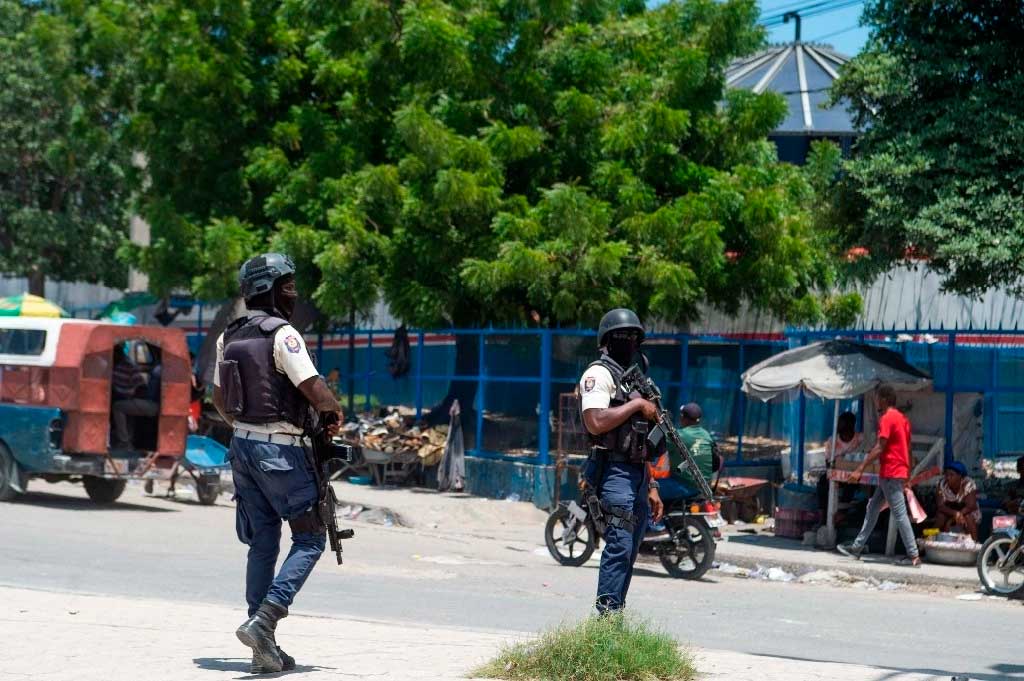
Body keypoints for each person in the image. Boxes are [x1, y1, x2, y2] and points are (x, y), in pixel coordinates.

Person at [212, 252, 344, 674]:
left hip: (243, 448)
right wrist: (332, 412)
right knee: (310, 539)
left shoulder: (228, 336)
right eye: (288, 285)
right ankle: (264, 622)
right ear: (269, 290)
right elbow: (312, 387)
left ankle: (261, 646)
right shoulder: (283, 334)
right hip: (281, 453)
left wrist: (248, 427)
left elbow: (219, 401)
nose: (295, 293)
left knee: (263, 542)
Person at [578, 308, 663, 614]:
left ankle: (616, 617)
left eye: (633, 337)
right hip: (612, 472)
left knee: (631, 550)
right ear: (607, 341)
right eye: (622, 336)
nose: (628, 341)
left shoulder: (632, 382)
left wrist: (652, 485)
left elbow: (639, 441)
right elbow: (596, 422)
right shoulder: (598, 375)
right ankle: (606, 621)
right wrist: (638, 405)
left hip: (638, 475)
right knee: (619, 547)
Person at [837, 384, 921, 567]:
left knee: (899, 514)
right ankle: (857, 547)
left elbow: (880, 447)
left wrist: (860, 468)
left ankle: (914, 555)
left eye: (877, 398)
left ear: (883, 399)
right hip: (893, 473)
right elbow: (908, 447)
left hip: (891, 472)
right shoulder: (902, 419)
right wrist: (907, 472)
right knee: (873, 509)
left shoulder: (887, 419)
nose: (876, 401)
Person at [110, 344, 159, 450]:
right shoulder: (117, 365)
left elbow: (140, 388)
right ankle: (126, 441)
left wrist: (128, 396)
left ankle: (124, 441)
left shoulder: (127, 365)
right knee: (123, 408)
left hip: (146, 402)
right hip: (134, 400)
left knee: (117, 407)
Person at [935, 462, 981, 541]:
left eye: (951, 475)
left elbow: (971, 506)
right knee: (941, 517)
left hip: (967, 511)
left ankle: (974, 543)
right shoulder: (942, 483)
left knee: (968, 517)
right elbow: (940, 506)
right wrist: (954, 514)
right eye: (946, 474)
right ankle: (933, 539)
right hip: (949, 510)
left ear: (960, 476)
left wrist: (956, 517)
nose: (948, 477)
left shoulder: (968, 483)